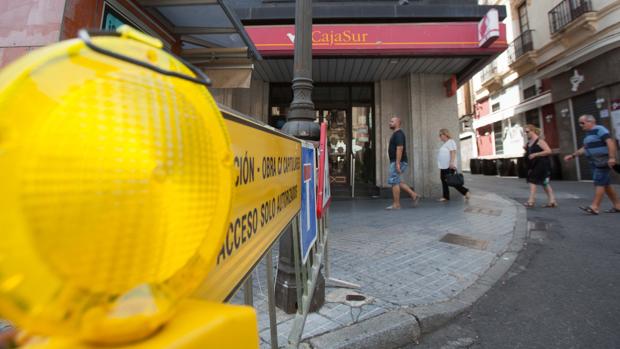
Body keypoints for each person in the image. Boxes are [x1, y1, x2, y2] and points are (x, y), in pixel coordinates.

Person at [564, 114, 620, 215]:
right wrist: (572, 156)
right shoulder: (588, 134)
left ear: (591, 122)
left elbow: (610, 142)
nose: (581, 125)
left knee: (599, 182)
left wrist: (612, 157)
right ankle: (618, 205)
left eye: (582, 123)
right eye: (579, 123)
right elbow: (585, 148)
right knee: (605, 184)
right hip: (595, 162)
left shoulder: (599, 129)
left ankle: (594, 207)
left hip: (602, 160)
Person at [386, 116, 419, 210]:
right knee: (396, 180)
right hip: (397, 161)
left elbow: (400, 148)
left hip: (398, 161)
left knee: (393, 181)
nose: (390, 123)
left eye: (392, 121)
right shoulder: (396, 134)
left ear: (398, 123)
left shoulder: (399, 134)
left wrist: (397, 163)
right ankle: (414, 195)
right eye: (390, 121)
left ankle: (396, 204)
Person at [523, 124, 557, 208]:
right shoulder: (529, 143)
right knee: (544, 182)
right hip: (533, 164)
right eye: (525, 132)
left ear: (533, 131)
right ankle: (552, 201)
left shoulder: (539, 141)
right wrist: (526, 149)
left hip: (542, 164)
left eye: (527, 132)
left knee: (532, 180)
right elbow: (529, 153)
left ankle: (531, 200)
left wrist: (536, 154)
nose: (526, 133)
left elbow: (549, 151)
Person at [437, 128, 470, 201]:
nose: (439, 136)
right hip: (444, 166)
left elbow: (453, 152)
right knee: (444, 180)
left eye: (440, 135)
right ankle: (446, 197)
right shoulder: (446, 144)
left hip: (449, 166)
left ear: (445, 134)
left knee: (451, 181)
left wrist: (451, 163)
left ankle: (465, 191)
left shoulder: (450, 142)